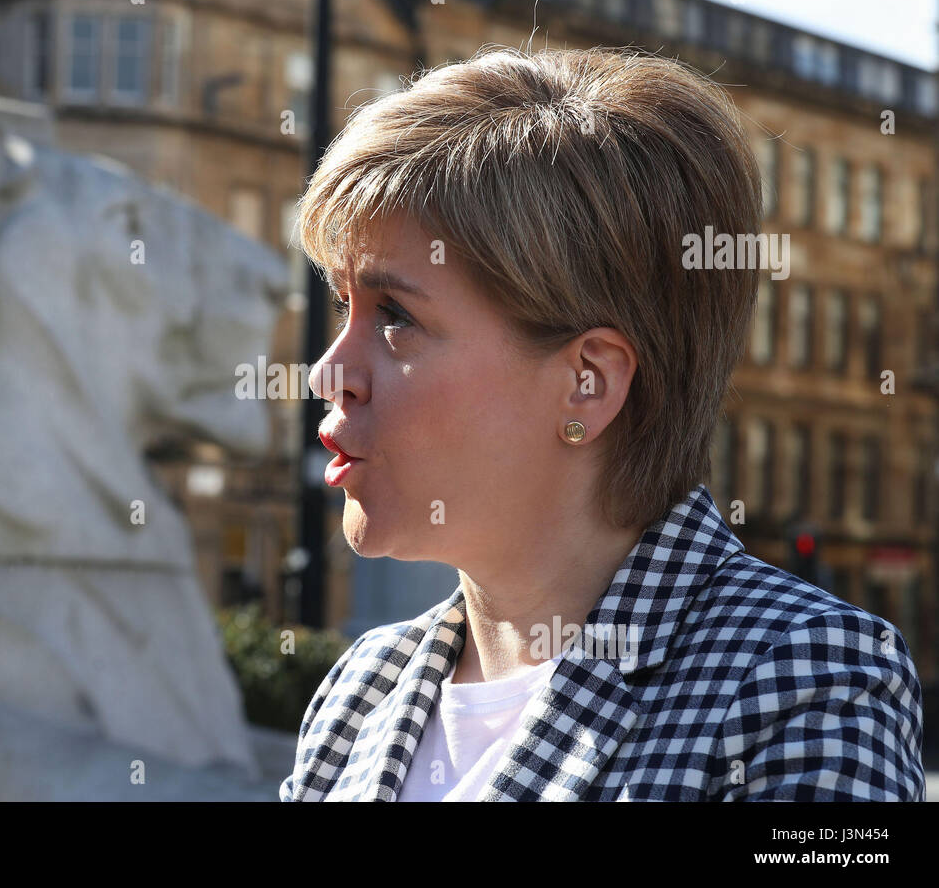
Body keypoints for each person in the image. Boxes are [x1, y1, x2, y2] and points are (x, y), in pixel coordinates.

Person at [278, 46, 924, 801]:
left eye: (395, 316)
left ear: (588, 382)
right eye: (341, 305)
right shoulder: (360, 692)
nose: (328, 373)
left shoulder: (805, 682)